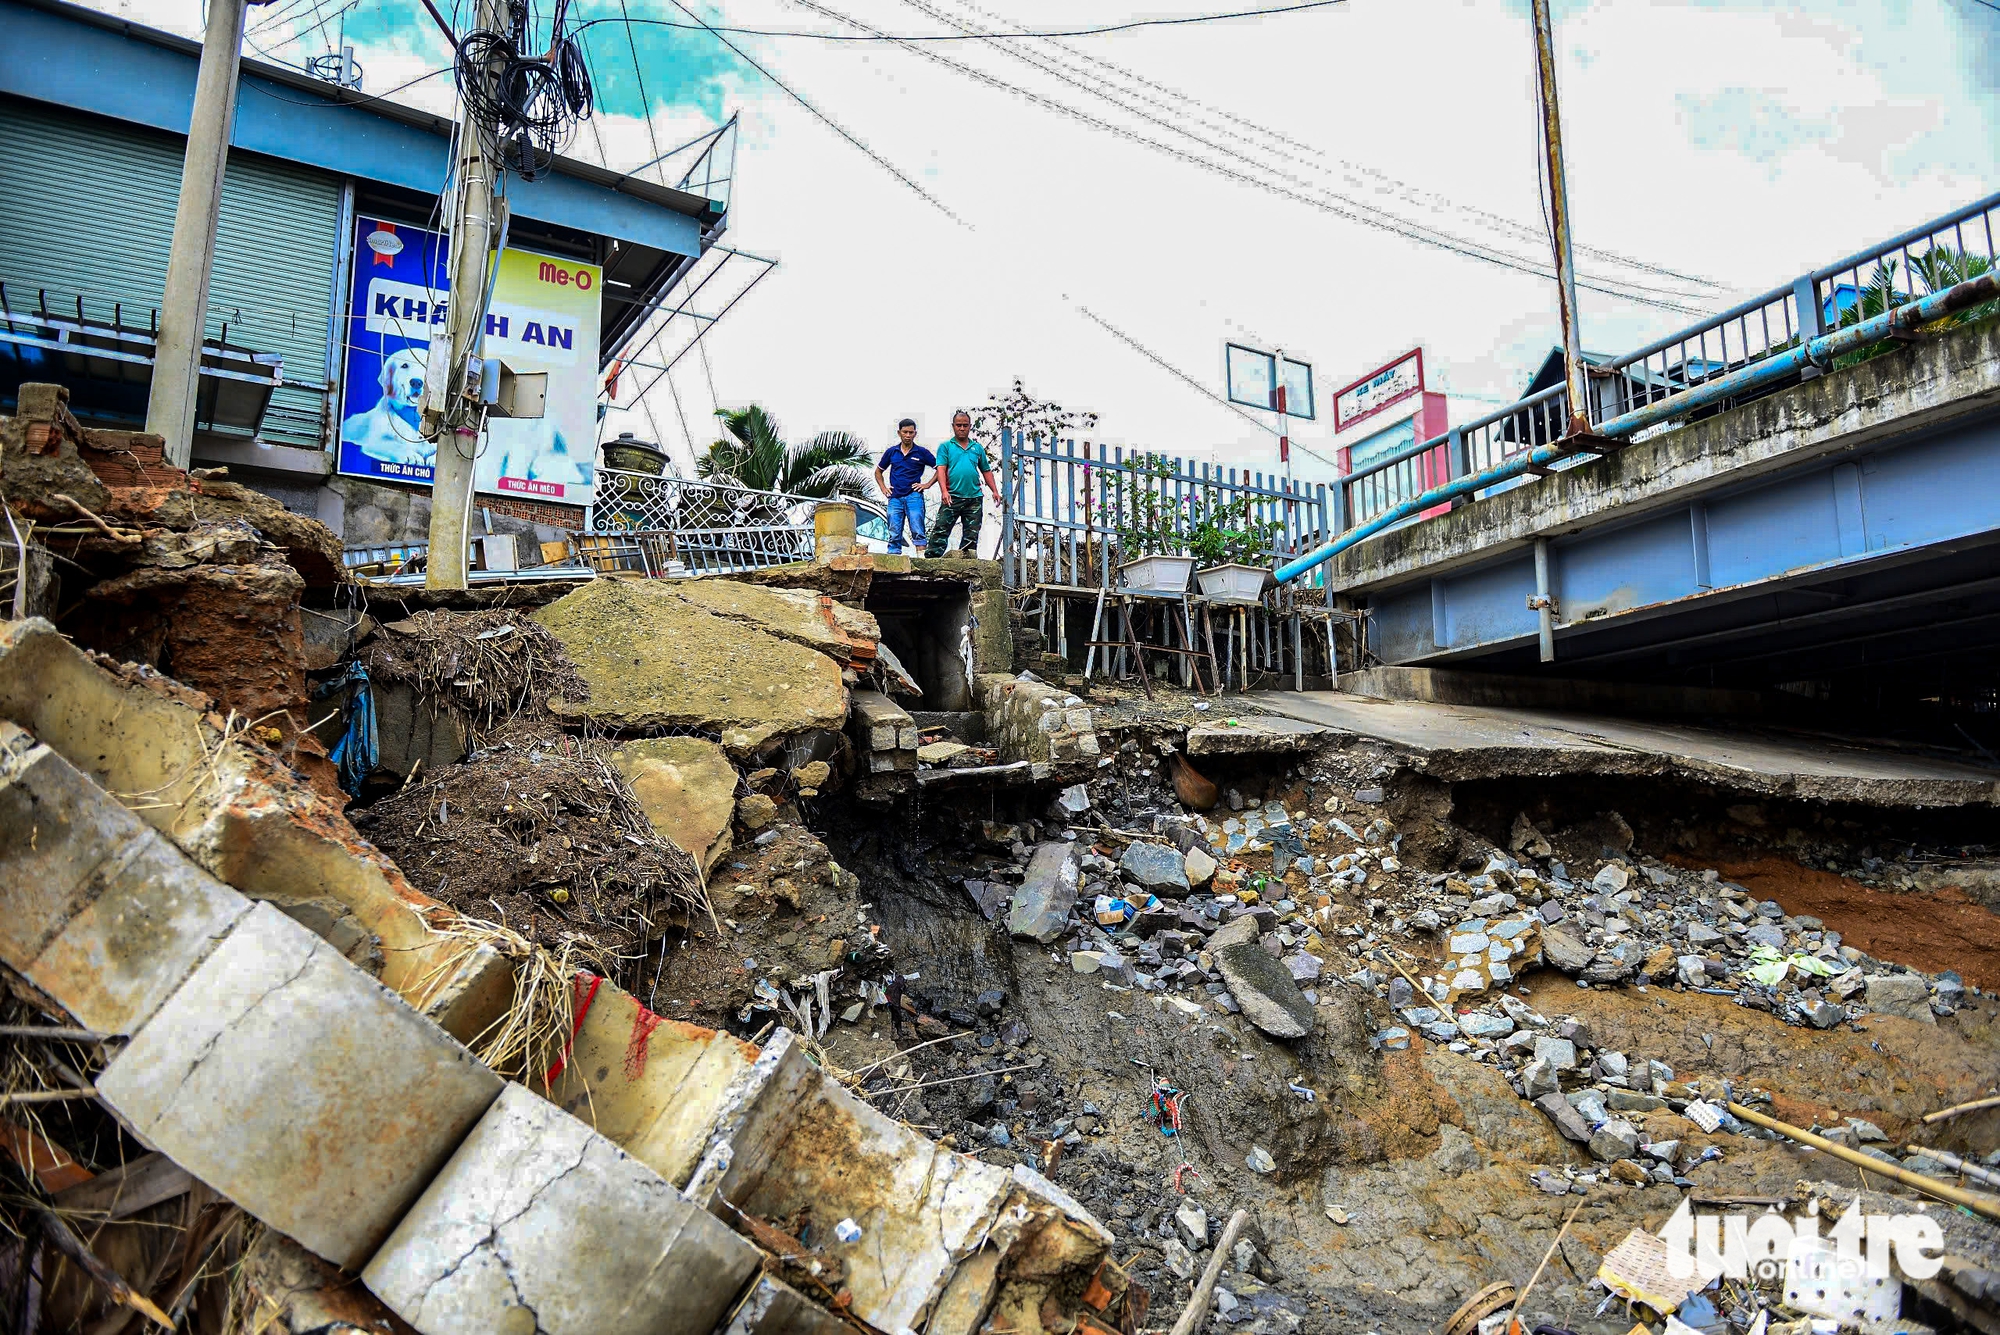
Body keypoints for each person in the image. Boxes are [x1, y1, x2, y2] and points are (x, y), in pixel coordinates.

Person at [925, 410, 1002, 558]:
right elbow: (941, 470)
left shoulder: (977, 448)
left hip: (974, 498)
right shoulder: (946, 446)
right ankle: (932, 560)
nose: (962, 428)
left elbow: (986, 470)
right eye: (958, 425)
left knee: (971, 534)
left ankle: (966, 562)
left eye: (965, 425)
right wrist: (944, 491)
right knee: (941, 528)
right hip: (952, 496)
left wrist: (994, 490)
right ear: (953, 426)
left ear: (970, 426)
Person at [872, 418, 936, 555]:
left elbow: (940, 469)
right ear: (899, 433)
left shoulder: (922, 452)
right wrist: (884, 488)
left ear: (915, 433)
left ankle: (921, 560)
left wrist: (927, 484)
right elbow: (878, 472)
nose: (908, 435)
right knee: (894, 530)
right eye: (905, 432)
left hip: (914, 495)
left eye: (911, 432)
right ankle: (894, 559)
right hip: (895, 497)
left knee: (917, 528)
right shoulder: (892, 452)